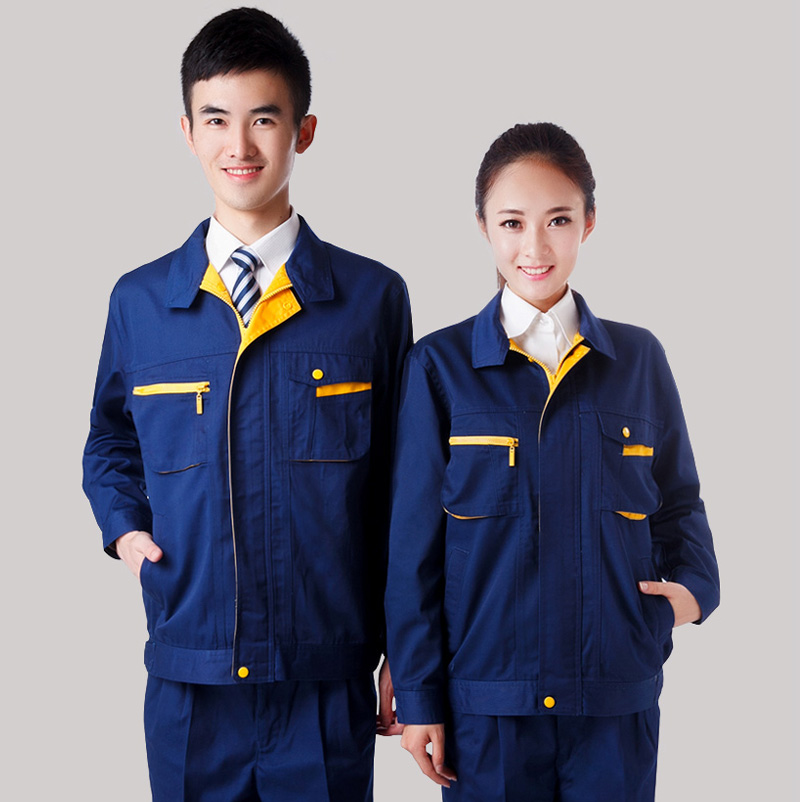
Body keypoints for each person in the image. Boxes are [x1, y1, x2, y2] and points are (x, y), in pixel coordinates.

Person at [82, 8, 410, 801]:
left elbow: (410, 489)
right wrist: (125, 528)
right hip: (190, 677)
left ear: (304, 132)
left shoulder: (371, 299)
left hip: (325, 677)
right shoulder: (141, 303)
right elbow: (109, 441)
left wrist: (409, 649)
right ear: (187, 132)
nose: (240, 145)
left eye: (263, 119)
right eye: (216, 119)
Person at [385, 122, 719, 801]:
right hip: (488, 707)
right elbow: (413, 547)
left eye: (558, 220)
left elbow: (679, 502)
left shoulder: (639, 360)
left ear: (588, 222)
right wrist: (418, 694)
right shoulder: (440, 367)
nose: (534, 247)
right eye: (512, 222)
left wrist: (691, 593)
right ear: (484, 227)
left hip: (614, 700)